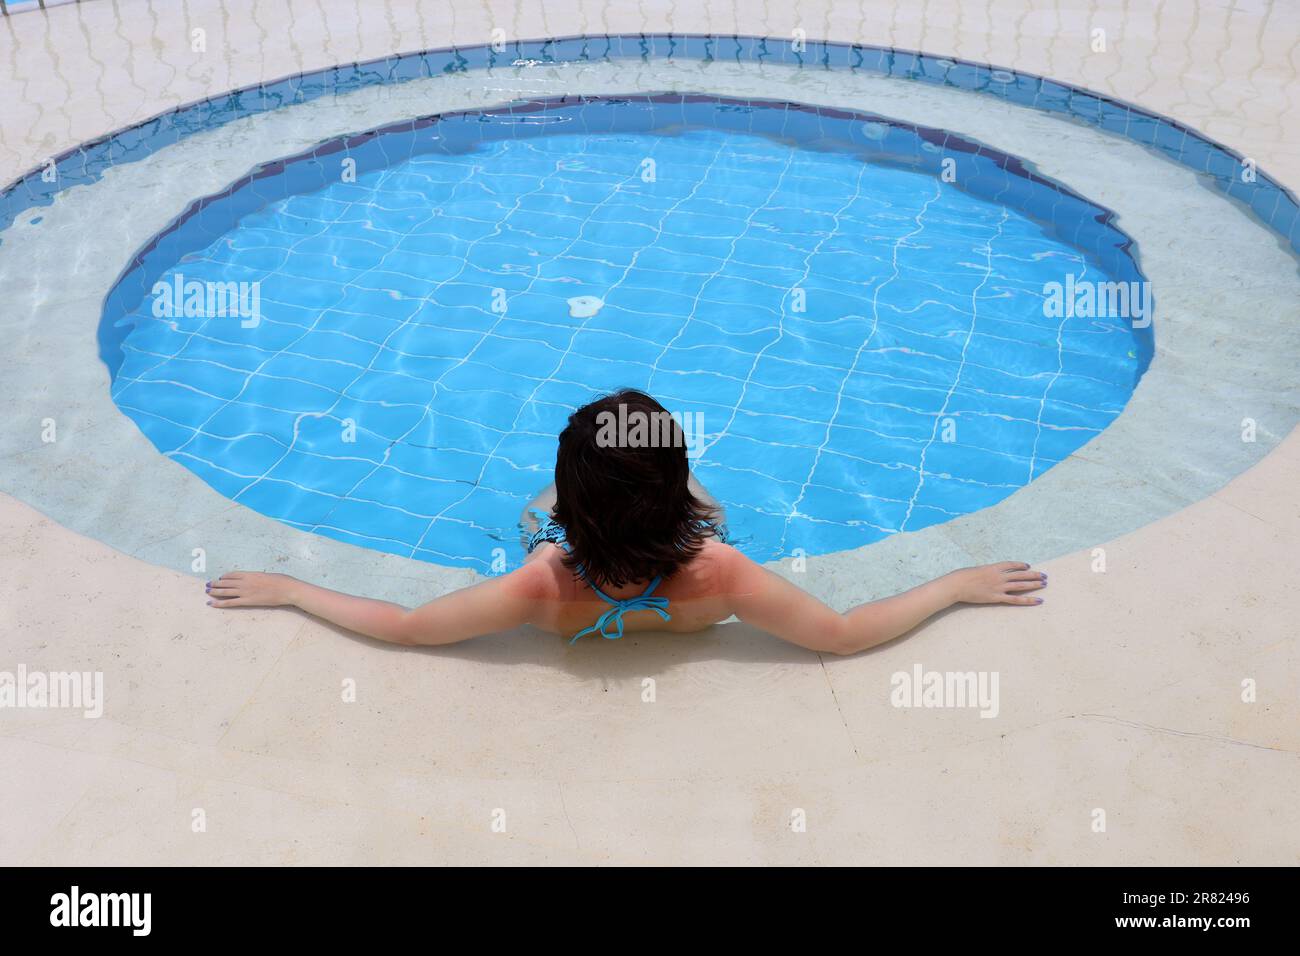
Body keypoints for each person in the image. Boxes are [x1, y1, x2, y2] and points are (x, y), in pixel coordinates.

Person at [206, 389, 1045, 654]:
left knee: (526, 511)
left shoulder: (537, 581)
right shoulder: (726, 573)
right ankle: (636, 480)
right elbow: (844, 634)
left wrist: (290, 590)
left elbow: (404, 628)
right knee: (711, 515)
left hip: (584, 577)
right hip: (679, 573)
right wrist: (956, 585)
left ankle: (615, 483)